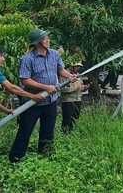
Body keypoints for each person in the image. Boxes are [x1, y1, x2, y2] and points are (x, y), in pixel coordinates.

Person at [9, 29, 76, 163]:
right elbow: (25, 80)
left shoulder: (55, 54)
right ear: (38, 42)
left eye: (47, 38)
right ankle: (16, 157)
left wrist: (70, 76)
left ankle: (45, 154)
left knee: (48, 129)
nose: (48, 40)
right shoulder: (28, 59)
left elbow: (60, 69)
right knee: (25, 130)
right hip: (33, 101)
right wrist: (46, 87)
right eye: (45, 39)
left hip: (51, 100)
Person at [60, 62, 87, 133]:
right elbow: (62, 89)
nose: (78, 68)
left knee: (75, 118)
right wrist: (76, 87)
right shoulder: (64, 75)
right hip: (68, 101)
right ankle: (65, 134)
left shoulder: (78, 75)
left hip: (78, 99)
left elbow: (80, 86)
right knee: (67, 120)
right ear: (72, 66)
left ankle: (73, 134)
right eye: (77, 66)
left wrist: (84, 87)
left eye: (79, 66)